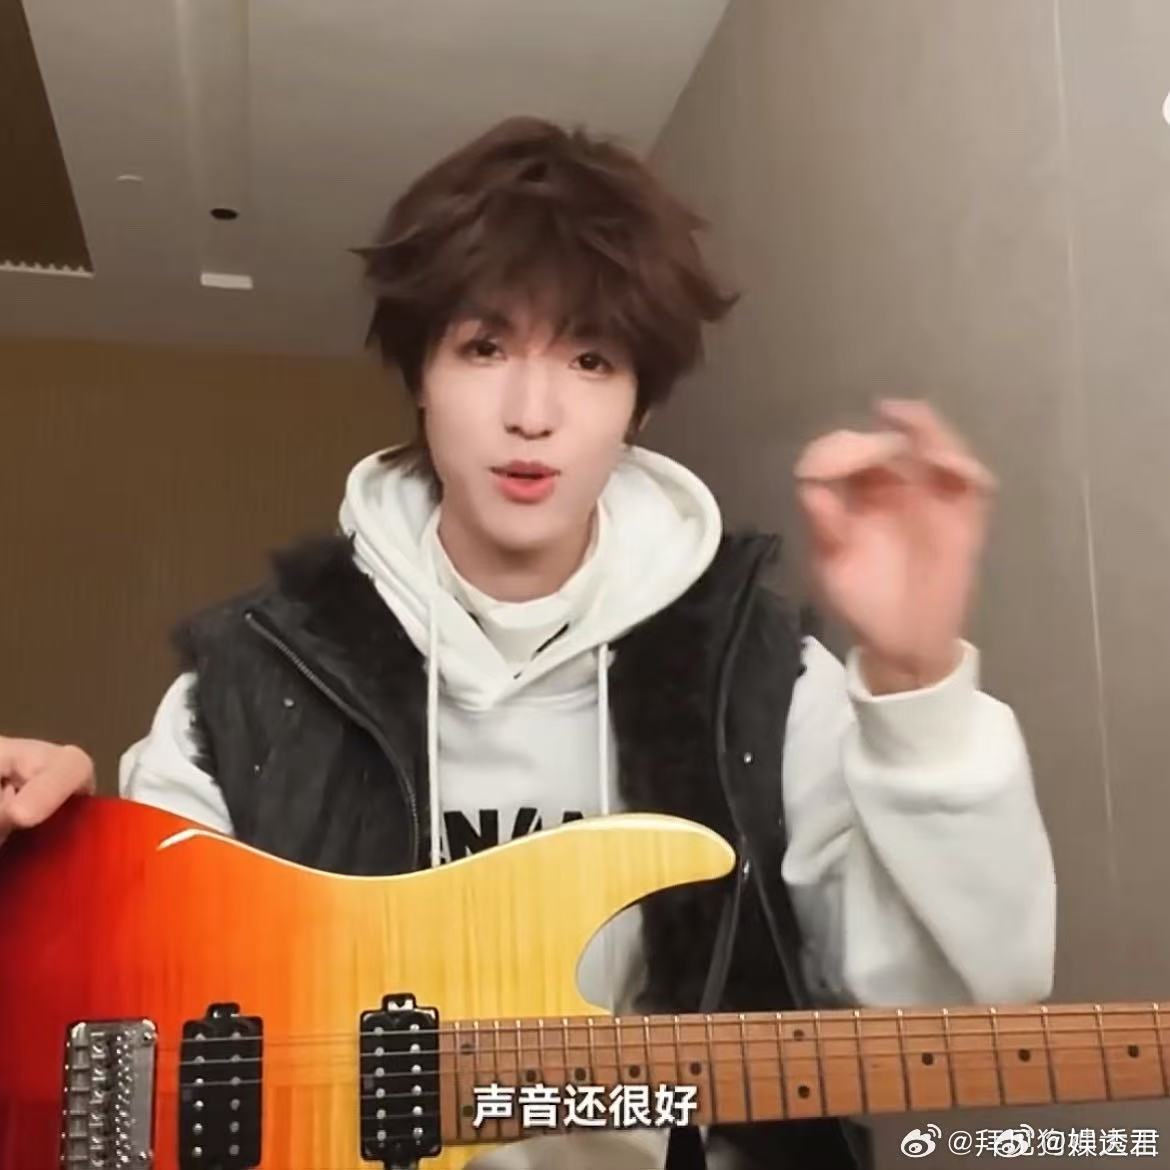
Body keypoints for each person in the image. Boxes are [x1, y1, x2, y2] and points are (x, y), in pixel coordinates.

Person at [5, 117, 1055, 1170]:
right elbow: (119, 1041)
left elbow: (959, 1007)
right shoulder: (248, 683)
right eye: (485, 347)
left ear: (638, 402)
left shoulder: (762, 676)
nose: (532, 412)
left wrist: (918, 684)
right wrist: (44, 873)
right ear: (422, 375)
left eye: (591, 359)